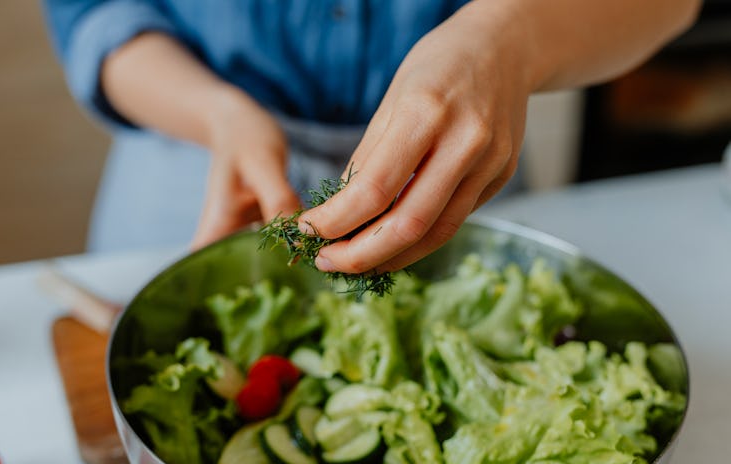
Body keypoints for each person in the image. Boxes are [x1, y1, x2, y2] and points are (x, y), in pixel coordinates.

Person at [42, 0, 700, 275]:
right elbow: (95, 12)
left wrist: (508, 37)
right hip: (196, 157)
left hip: (457, 158)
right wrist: (218, 115)